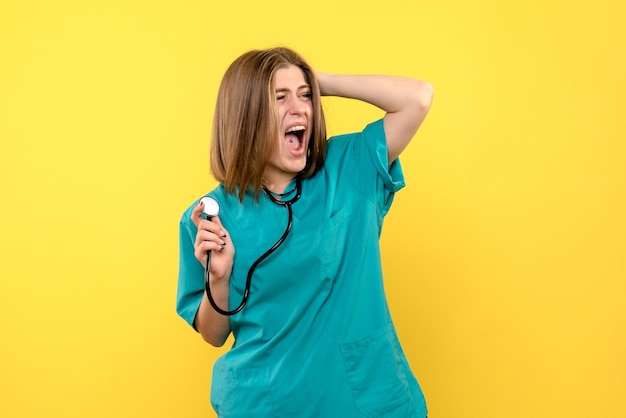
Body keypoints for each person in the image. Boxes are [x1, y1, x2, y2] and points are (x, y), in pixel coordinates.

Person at [176, 47, 434, 418]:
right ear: (246, 115)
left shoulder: (349, 167)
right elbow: (213, 334)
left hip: (366, 398)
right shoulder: (209, 217)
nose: (299, 108)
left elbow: (417, 98)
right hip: (269, 403)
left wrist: (318, 82)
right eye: (279, 98)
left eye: (305, 96)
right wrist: (219, 278)